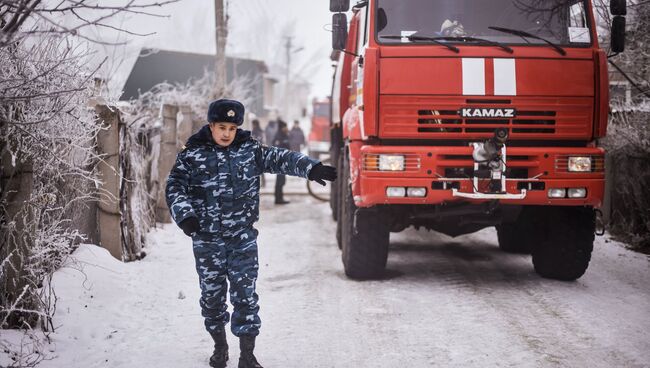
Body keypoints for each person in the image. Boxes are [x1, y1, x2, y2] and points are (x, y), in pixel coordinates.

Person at [165, 99, 336, 368]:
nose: (226, 133)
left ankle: (247, 355)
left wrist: (311, 167)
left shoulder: (248, 150)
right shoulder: (192, 154)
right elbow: (175, 186)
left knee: (245, 296)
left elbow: (281, 158)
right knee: (212, 297)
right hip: (207, 240)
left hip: (242, 239)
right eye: (221, 127)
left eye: (231, 128)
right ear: (210, 125)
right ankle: (220, 347)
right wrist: (185, 216)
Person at [272, 119, 291, 205]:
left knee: (281, 180)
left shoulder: (283, 135)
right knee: (280, 180)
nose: (287, 128)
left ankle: (279, 197)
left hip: (282, 161)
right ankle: (278, 199)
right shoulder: (280, 136)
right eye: (285, 126)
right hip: (280, 161)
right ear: (282, 127)